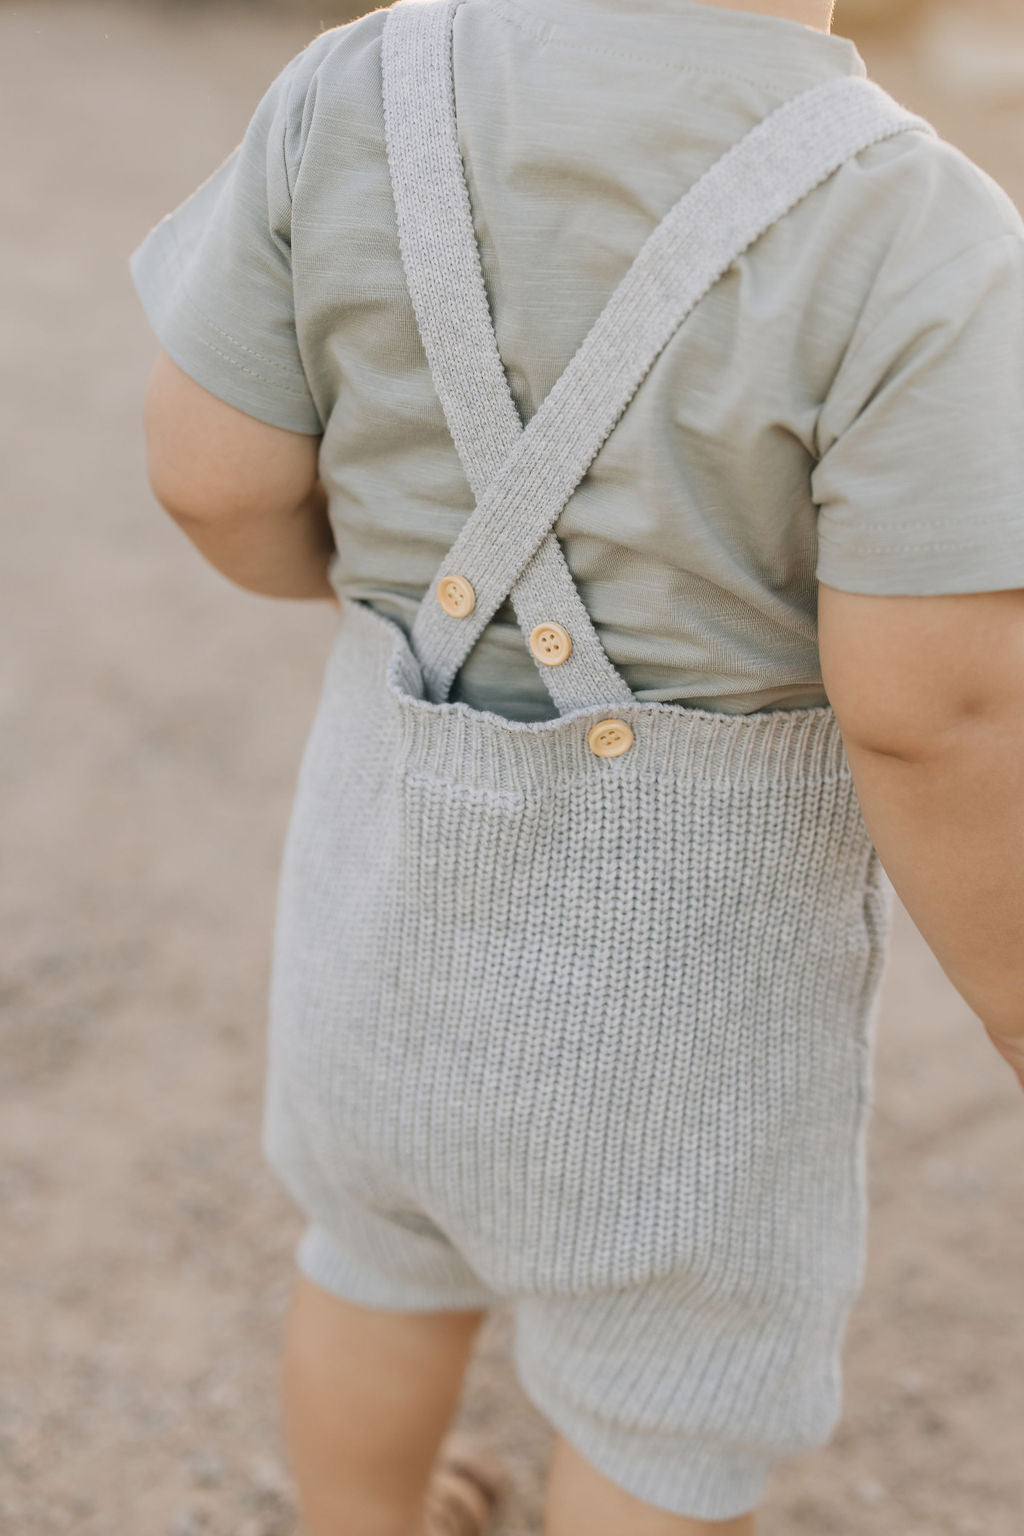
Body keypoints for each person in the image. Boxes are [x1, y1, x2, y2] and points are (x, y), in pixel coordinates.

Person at [129, 0, 1024, 1530]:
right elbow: (929, 714)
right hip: (680, 1025)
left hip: (373, 927)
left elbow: (212, 479)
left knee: (374, 1255)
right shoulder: (913, 225)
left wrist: (380, 603)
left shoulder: (362, 83)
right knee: (659, 1395)